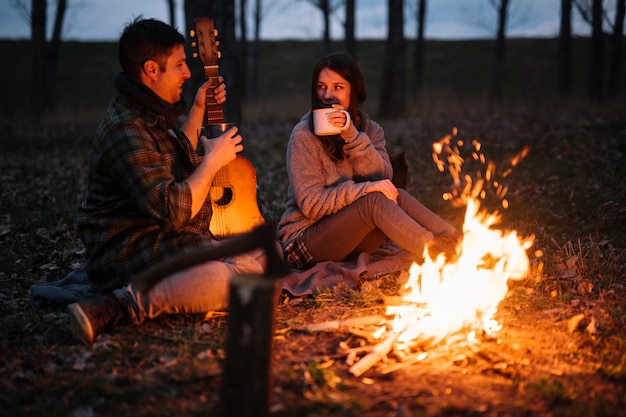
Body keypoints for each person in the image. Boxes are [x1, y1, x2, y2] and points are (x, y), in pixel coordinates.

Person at [67, 17, 266, 345]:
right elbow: (174, 209)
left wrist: (200, 108)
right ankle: (118, 306)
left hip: (160, 236)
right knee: (243, 276)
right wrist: (214, 159)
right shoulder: (125, 129)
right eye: (179, 65)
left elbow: (174, 157)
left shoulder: (146, 112)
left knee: (261, 253)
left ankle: (190, 282)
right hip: (129, 248)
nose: (187, 73)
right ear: (151, 70)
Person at [277, 52, 461, 271]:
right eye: (321, 87)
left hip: (351, 239)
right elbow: (311, 204)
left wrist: (351, 136)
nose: (327, 95)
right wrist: (364, 190)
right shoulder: (303, 136)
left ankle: (458, 241)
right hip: (305, 243)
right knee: (374, 199)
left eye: (337, 87)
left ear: (354, 90)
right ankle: (437, 255)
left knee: (395, 194)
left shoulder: (371, 130)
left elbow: (383, 179)